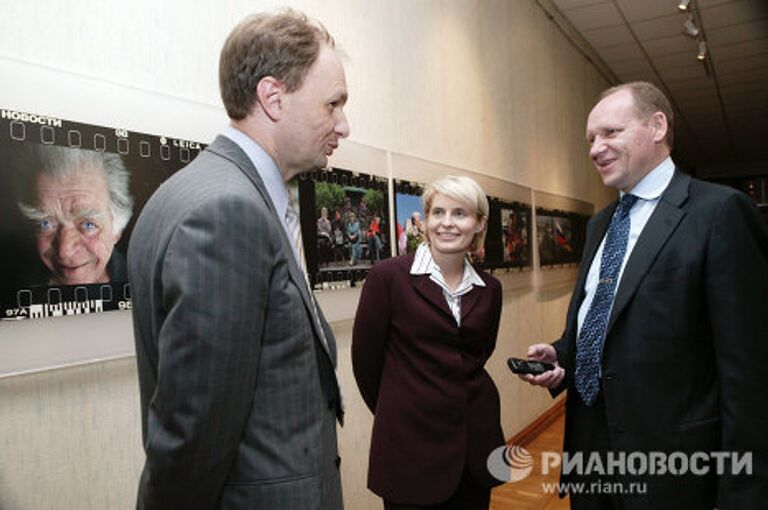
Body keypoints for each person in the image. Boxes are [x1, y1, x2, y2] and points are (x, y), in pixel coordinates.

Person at [128, 10, 349, 509]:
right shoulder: (227, 212)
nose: (344, 124)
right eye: (333, 103)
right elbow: (194, 434)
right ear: (273, 98)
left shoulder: (190, 192)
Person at [520, 81, 768, 509]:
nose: (596, 148)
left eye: (610, 133)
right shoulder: (600, 225)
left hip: (675, 471)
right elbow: (609, 322)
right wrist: (563, 357)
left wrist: (743, 494)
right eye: (591, 139)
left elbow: (749, 375)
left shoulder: (719, 213)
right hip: (590, 458)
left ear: (657, 126)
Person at [352, 175, 505, 510]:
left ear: (479, 223)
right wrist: (402, 409)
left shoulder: (490, 289)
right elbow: (366, 365)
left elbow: (477, 355)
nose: (447, 223)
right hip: (410, 451)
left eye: (460, 214)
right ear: (424, 219)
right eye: (438, 213)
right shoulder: (387, 278)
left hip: (475, 446)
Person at [16, 144, 133, 285]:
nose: (64, 251)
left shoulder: (146, 288)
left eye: (88, 224)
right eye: (45, 223)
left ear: (117, 230)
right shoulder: (14, 284)